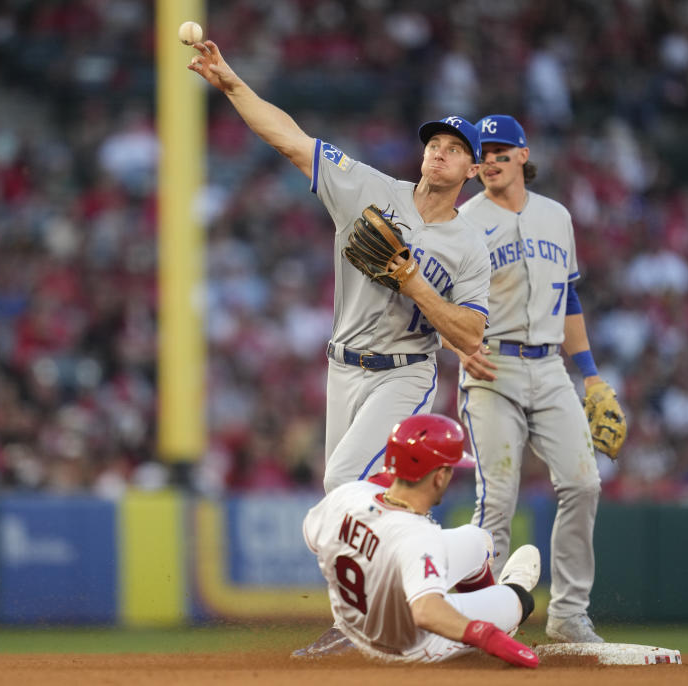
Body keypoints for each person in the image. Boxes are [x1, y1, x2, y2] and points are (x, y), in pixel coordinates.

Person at [187, 41, 491, 494]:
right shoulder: (370, 188)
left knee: (342, 482)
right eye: (434, 144)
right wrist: (233, 85)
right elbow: (291, 140)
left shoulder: (470, 244)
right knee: (353, 501)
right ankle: (423, 558)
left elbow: (471, 334)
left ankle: (427, 557)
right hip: (342, 365)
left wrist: (416, 285)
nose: (439, 153)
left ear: (473, 169)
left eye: (454, 149)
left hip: (405, 371)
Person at [452, 114, 623, 644]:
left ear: (524, 155)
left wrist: (591, 378)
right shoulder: (463, 220)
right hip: (492, 366)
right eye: (483, 152)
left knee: (583, 483)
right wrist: (462, 347)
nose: (491, 160)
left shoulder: (557, 216)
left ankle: (569, 614)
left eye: (503, 150)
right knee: (497, 496)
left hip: (550, 367)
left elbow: (568, 298)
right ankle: (479, 619)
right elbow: (441, 303)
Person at [302, 413, 541, 666]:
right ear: (439, 476)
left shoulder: (350, 494)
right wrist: (487, 635)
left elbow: (314, 539)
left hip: (361, 614)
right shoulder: (418, 535)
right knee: (520, 600)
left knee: (478, 539)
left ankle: (486, 599)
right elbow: (426, 611)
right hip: (403, 645)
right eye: (449, 469)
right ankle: (508, 595)